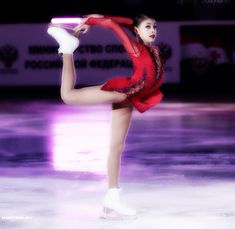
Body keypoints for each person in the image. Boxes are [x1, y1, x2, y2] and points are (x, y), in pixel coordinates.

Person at [47, 13, 164, 218]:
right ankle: (67, 50)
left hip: (129, 98)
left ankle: (111, 200)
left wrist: (132, 22)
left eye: (154, 26)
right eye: (147, 27)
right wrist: (91, 20)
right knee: (68, 96)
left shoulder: (152, 50)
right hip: (121, 92)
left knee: (116, 147)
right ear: (137, 32)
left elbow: (130, 23)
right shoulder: (136, 49)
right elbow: (112, 25)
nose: (153, 30)